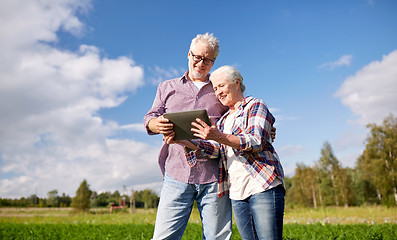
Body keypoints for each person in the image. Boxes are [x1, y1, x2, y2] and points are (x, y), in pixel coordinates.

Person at [164, 65, 285, 240]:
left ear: (237, 83)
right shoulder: (222, 121)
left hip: (262, 185)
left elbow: (255, 140)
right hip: (237, 193)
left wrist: (219, 136)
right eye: (215, 88)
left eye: (221, 86)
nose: (218, 92)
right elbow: (215, 150)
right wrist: (181, 140)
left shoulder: (255, 105)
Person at [143, 33, 232, 240]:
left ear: (214, 62)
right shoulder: (167, 87)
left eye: (208, 60)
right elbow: (150, 117)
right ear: (188, 54)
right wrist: (157, 125)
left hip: (214, 176)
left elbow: (239, 112)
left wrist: (266, 127)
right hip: (177, 173)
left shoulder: (220, 90)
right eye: (197, 57)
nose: (201, 63)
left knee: (217, 237)